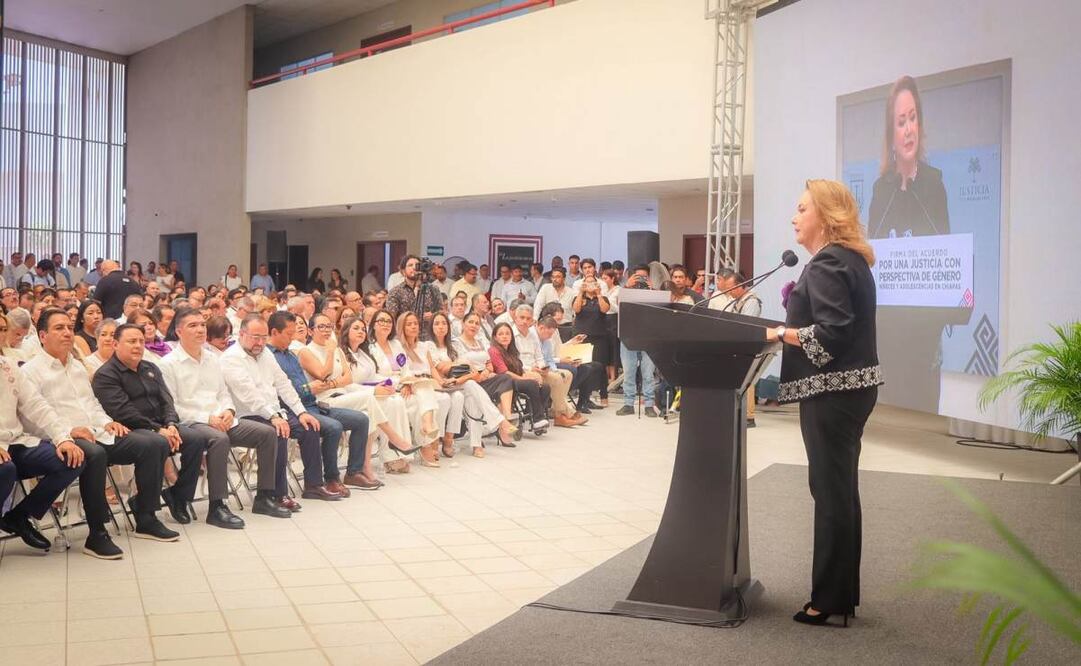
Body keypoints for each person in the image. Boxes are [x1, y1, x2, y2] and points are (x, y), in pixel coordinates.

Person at [768, 179, 881, 626]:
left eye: (802, 209)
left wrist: (782, 332)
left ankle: (830, 601)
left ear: (826, 215)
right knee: (839, 491)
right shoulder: (848, 259)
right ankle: (840, 597)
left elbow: (832, 334)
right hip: (849, 392)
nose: (794, 217)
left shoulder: (830, 261)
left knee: (831, 493)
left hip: (832, 393)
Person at [22, 309, 178, 556]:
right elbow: (31, 418)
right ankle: (97, 534)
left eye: (69, 327)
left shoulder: (76, 366)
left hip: (94, 431)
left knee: (154, 443)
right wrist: (69, 431)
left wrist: (107, 423)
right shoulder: (31, 371)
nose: (67, 333)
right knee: (95, 454)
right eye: (59, 328)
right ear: (42, 335)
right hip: (60, 438)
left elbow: (92, 404)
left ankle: (146, 517)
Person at [93, 324, 239, 527]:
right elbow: (123, 412)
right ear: (116, 344)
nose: (138, 346)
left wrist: (170, 424)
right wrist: (157, 429)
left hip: (162, 427)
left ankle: (178, 495)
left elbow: (167, 401)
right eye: (132, 341)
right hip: (131, 430)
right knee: (157, 443)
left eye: (141, 341)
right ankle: (146, 509)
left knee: (196, 439)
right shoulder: (106, 375)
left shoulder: (150, 368)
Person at [867, 75, 951, 414]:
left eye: (913, 118)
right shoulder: (881, 189)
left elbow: (946, 252)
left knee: (923, 419)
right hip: (887, 331)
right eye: (901, 122)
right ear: (891, 132)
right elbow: (871, 255)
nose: (908, 129)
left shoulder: (934, 183)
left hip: (924, 334)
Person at [160, 308, 288, 522]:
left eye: (202, 324)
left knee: (267, 433)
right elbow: (172, 407)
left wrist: (229, 410)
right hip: (192, 422)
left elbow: (223, 393)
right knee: (219, 439)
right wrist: (208, 418)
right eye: (193, 325)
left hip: (221, 417)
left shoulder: (212, 359)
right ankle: (217, 506)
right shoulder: (168, 364)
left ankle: (265, 497)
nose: (200, 329)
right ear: (179, 331)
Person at [220, 314, 340, 504]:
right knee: (279, 431)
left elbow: (283, 384)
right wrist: (274, 416)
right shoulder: (231, 358)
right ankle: (277, 494)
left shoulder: (265, 354)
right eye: (255, 337)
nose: (260, 342)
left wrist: (301, 412)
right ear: (241, 334)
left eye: (264, 337)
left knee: (309, 426)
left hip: (273, 412)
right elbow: (249, 395)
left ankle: (314, 485)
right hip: (248, 415)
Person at [287, 311, 390, 490]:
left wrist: (331, 383)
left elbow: (348, 378)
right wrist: (329, 354)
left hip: (342, 395)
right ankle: (394, 441)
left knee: (364, 418)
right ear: (310, 331)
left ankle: (354, 472)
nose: (326, 330)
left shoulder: (337, 349)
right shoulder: (306, 352)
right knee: (369, 397)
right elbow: (323, 374)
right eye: (321, 327)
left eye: (329, 326)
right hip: (322, 402)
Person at [0, 354, 86, 551]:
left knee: (71, 460)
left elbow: (36, 405)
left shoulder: (8, 365)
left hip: (14, 441)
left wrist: (62, 438)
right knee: (5, 469)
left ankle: (19, 516)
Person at [338, 315, 423, 468]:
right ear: (345, 331)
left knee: (396, 400)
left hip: (368, 392)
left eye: (363, 329)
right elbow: (346, 385)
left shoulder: (363, 353)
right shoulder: (340, 354)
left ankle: (397, 454)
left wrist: (389, 383)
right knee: (389, 403)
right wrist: (374, 390)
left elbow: (373, 376)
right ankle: (391, 454)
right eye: (356, 328)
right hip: (351, 395)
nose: (361, 332)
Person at [512, 305, 579, 427]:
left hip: (536, 369)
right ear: (515, 318)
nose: (525, 321)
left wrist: (543, 368)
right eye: (522, 318)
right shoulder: (511, 335)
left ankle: (559, 412)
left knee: (566, 374)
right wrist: (531, 369)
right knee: (557, 379)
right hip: (521, 370)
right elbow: (513, 360)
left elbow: (539, 357)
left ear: (532, 320)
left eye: (528, 318)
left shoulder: (532, 335)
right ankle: (561, 414)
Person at [488, 322, 550, 431]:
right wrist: (524, 378)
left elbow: (519, 369)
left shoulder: (512, 350)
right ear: (495, 337)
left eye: (507, 334)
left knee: (545, 387)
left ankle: (529, 417)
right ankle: (537, 419)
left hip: (516, 379)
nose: (504, 336)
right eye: (501, 334)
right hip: (504, 382)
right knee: (531, 384)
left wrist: (533, 376)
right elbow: (504, 372)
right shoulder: (493, 350)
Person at [617, 265, 658, 417]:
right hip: (628, 335)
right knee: (629, 371)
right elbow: (618, 303)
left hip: (649, 336)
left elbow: (661, 308)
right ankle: (628, 404)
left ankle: (649, 405)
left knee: (648, 373)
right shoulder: (625, 291)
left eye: (644, 277)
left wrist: (652, 290)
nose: (641, 279)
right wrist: (627, 286)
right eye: (638, 276)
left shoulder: (654, 293)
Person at [572, 276, 611, 407]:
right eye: (587, 283)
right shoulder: (579, 298)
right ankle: (584, 398)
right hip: (582, 337)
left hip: (599, 337)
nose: (590, 285)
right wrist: (580, 292)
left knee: (601, 366)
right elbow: (576, 309)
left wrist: (598, 294)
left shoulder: (603, 298)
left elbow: (605, 309)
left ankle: (604, 395)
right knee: (584, 367)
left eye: (593, 282)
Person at [384, 255, 442, 327]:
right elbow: (391, 317)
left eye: (417, 265)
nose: (414, 267)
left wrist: (433, 316)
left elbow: (441, 312)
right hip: (405, 331)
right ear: (403, 271)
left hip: (428, 332)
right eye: (410, 265)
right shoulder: (395, 292)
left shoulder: (433, 289)